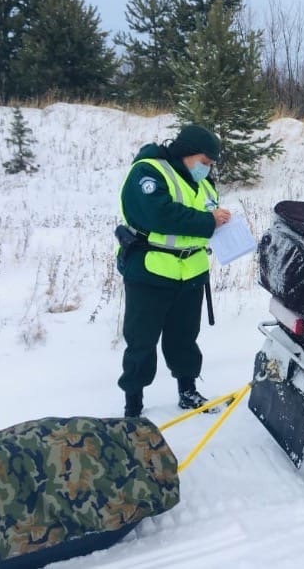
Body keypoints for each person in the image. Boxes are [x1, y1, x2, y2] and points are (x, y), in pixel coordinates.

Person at [116, 124, 232, 418]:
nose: (207, 169)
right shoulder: (149, 171)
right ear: (186, 152)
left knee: (184, 338)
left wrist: (222, 224)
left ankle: (188, 390)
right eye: (204, 162)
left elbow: (205, 219)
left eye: (211, 164)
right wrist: (208, 221)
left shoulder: (204, 184)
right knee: (141, 341)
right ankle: (133, 404)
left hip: (191, 273)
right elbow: (159, 215)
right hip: (151, 272)